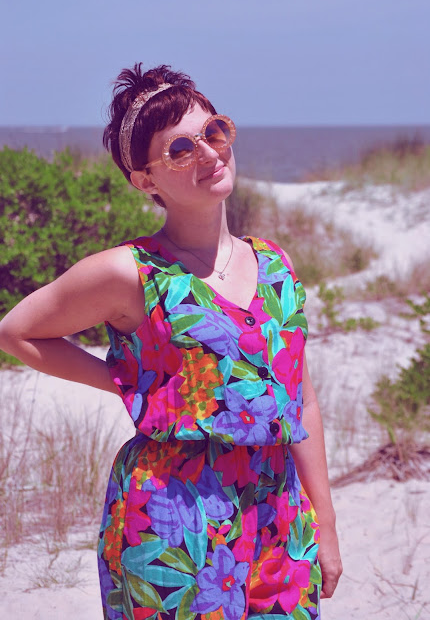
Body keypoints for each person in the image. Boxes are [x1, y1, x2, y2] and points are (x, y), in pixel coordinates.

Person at [0, 63, 342, 619]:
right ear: (145, 180)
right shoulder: (131, 272)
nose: (208, 153)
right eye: (180, 149)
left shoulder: (276, 266)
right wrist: (126, 381)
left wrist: (325, 523)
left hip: (279, 516)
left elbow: (300, 400)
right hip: (173, 517)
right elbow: (16, 332)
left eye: (213, 132)